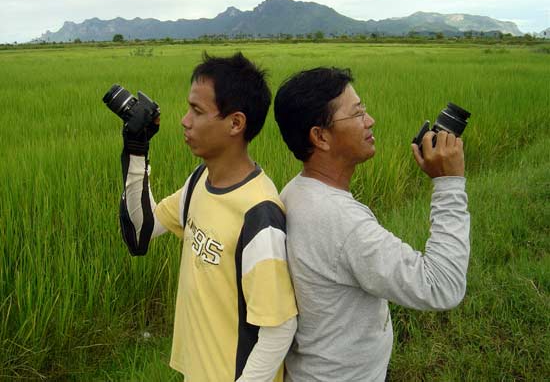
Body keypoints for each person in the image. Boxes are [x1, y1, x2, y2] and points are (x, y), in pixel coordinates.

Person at [273, 67, 470, 382]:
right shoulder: (344, 224)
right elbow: (442, 286)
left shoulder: (295, 190)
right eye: (358, 113)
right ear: (320, 136)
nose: (370, 120)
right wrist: (449, 184)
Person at [118, 52, 297, 381]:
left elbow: (279, 329)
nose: (185, 120)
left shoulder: (259, 212)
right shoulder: (200, 181)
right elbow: (140, 233)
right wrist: (136, 151)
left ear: (235, 123)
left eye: (197, 111)